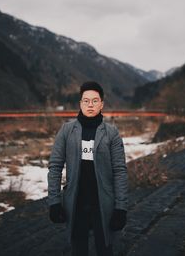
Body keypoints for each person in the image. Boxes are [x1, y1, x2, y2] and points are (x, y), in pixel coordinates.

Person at [47, 81, 128, 256]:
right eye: (86, 101)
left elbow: (120, 171)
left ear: (102, 104)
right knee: (78, 249)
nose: (90, 105)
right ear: (80, 103)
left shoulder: (111, 132)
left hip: (104, 203)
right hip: (75, 203)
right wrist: (53, 202)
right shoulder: (67, 130)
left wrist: (121, 207)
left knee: (105, 248)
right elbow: (55, 167)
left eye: (94, 100)